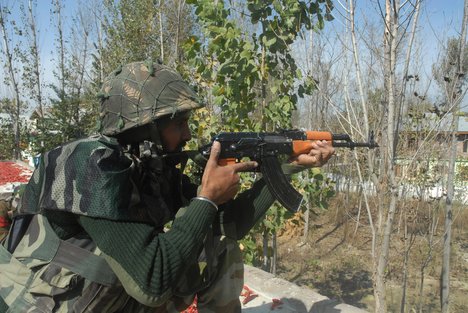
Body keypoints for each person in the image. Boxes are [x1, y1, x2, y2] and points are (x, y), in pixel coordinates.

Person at [0, 60, 334, 313]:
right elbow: (152, 283)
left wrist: (286, 168)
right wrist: (205, 198)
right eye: (179, 124)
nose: (188, 135)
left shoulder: (149, 166)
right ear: (145, 127)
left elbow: (228, 224)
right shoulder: (87, 164)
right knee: (161, 261)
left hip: (96, 293)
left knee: (215, 245)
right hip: (38, 301)